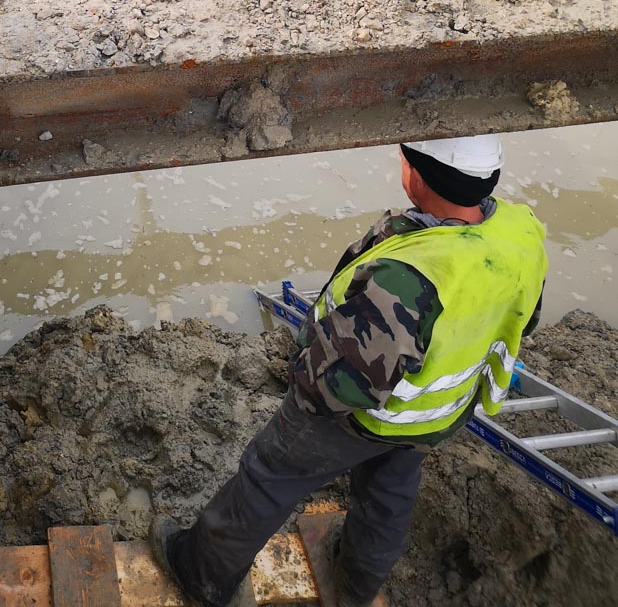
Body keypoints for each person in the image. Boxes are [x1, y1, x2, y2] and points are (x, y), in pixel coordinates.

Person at [151, 135, 548, 607]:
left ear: (417, 177)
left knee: (267, 476)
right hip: (433, 417)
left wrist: (304, 386)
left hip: (364, 417)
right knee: (386, 499)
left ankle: (200, 575)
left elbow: (349, 383)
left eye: (404, 157)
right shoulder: (519, 232)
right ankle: (357, 586)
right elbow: (528, 317)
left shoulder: (412, 275)